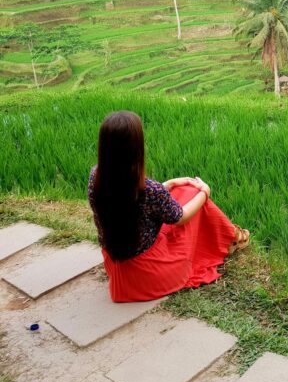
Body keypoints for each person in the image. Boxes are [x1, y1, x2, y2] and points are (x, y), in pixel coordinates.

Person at [87, 111, 249, 302]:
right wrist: (205, 192)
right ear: (136, 148)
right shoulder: (150, 190)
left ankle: (231, 235)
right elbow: (180, 217)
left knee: (181, 193)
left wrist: (168, 184)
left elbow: (131, 201)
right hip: (149, 272)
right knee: (192, 195)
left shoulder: (96, 176)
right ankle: (232, 237)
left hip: (116, 265)